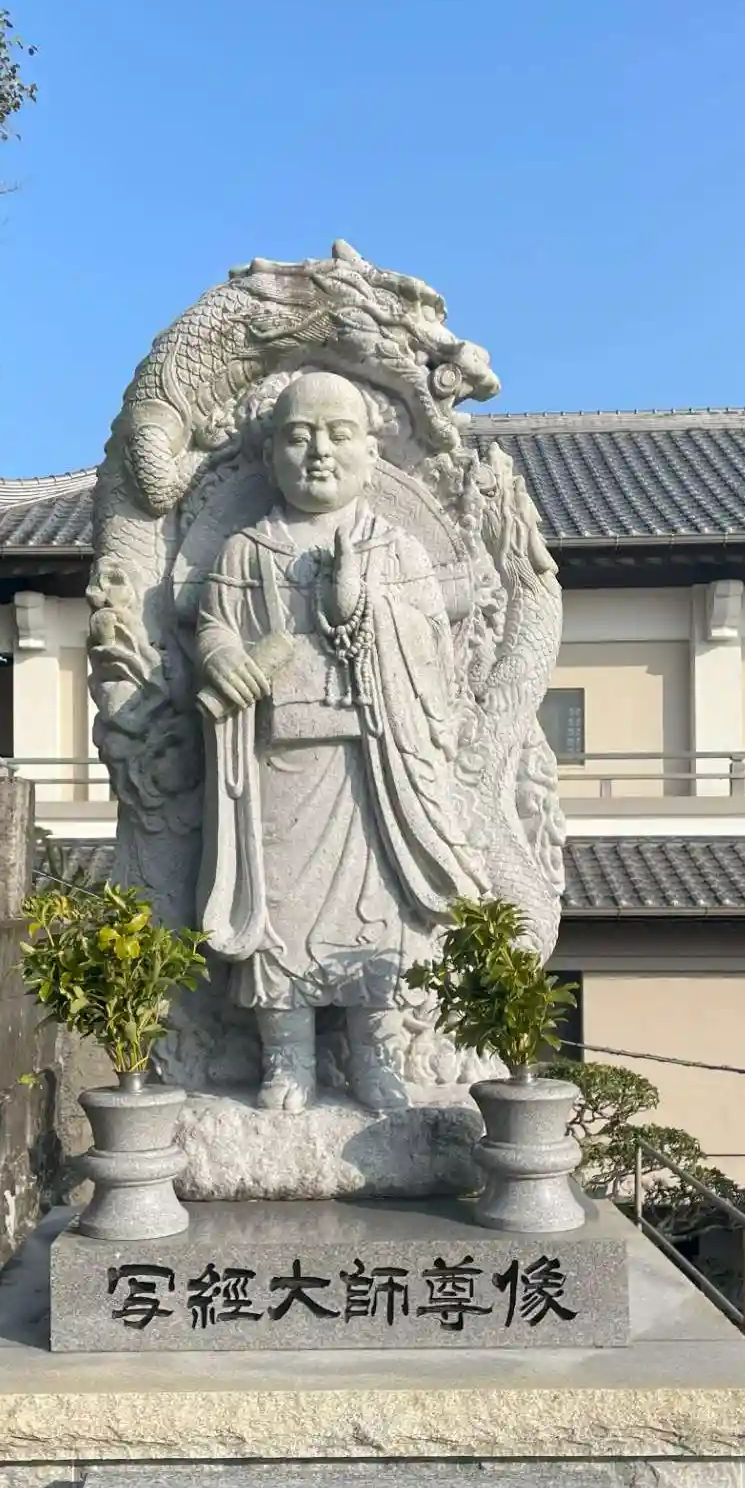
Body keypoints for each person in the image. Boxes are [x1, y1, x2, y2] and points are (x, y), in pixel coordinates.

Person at [195, 369, 484, 1112]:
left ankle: (376, 1058)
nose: (319, 451)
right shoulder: (246, 550)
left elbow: (432, 650)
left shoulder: (398, 550)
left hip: (377, 765)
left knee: (378, 912)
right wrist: (224, 660)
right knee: (279, 908)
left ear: (371, 453)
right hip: (279, 762)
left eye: (338, 434)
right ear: (270, 456)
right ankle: (286, 1059)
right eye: (298, 436)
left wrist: (362, 604)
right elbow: (214, 627)